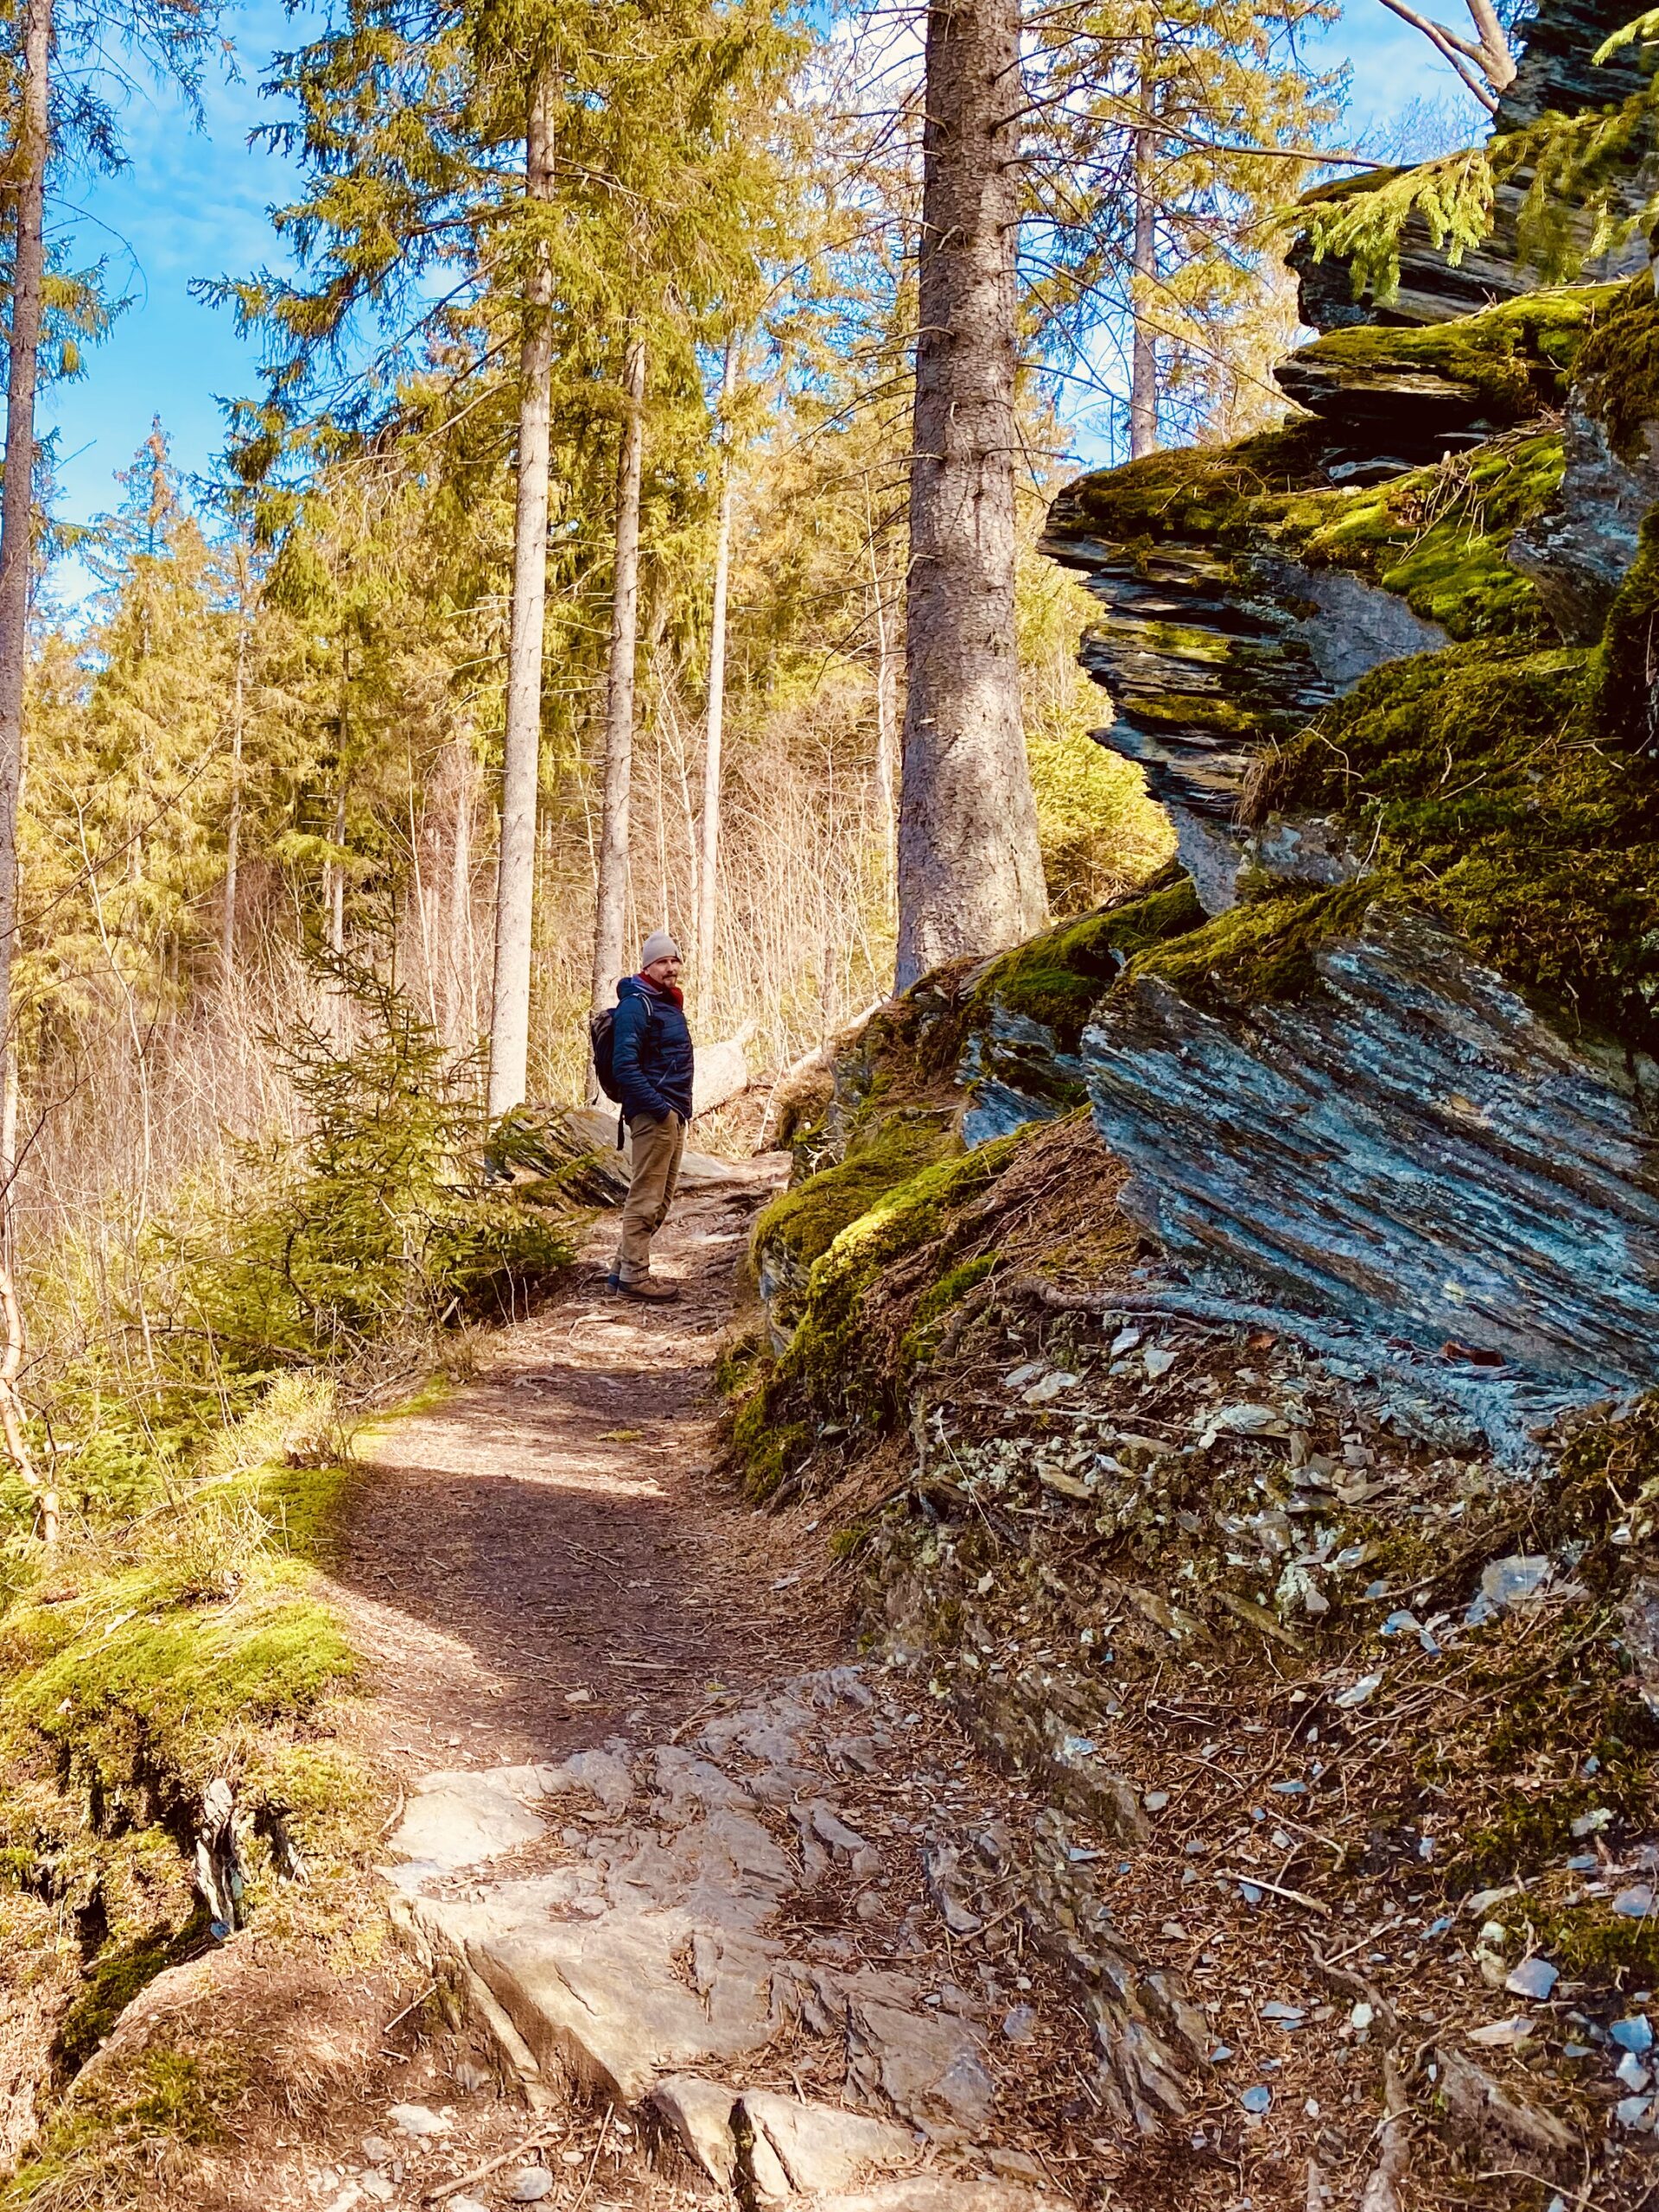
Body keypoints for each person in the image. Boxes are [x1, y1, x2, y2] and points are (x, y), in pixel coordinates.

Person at [607, 929, 694, 1301]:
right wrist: (659, 1109)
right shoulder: (636, 1005)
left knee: (661, 1198)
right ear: (648, 965)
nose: (670, 967)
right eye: (662, 961)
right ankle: (635, 1278)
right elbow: (624, 1065)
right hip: (654, 1113)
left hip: (670, 1110)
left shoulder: (665, 1002)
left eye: (674, 960)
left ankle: (621, 1271)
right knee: (646, 1197)